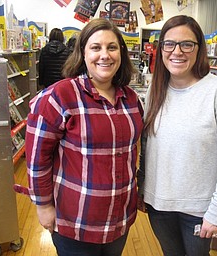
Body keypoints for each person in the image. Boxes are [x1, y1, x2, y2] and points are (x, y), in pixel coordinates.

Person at [26, 18, 144, 256]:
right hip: (76, 221)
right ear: (82, 53)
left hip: (119, 219)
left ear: (121, 52)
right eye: (96, 47)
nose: (105, 55)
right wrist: (44, 205)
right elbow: (37, 159)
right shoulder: (59, 96)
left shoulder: (131, 100)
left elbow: (133, 154)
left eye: (112, 47)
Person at [137, 15, 217, 256]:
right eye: (169, 44)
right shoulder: (155, 90)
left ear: (199, 49)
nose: (177, 51)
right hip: (159, 205)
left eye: (187, 44)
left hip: (199, 210)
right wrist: (142, 187)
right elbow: (147, 146)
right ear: (161, 48)